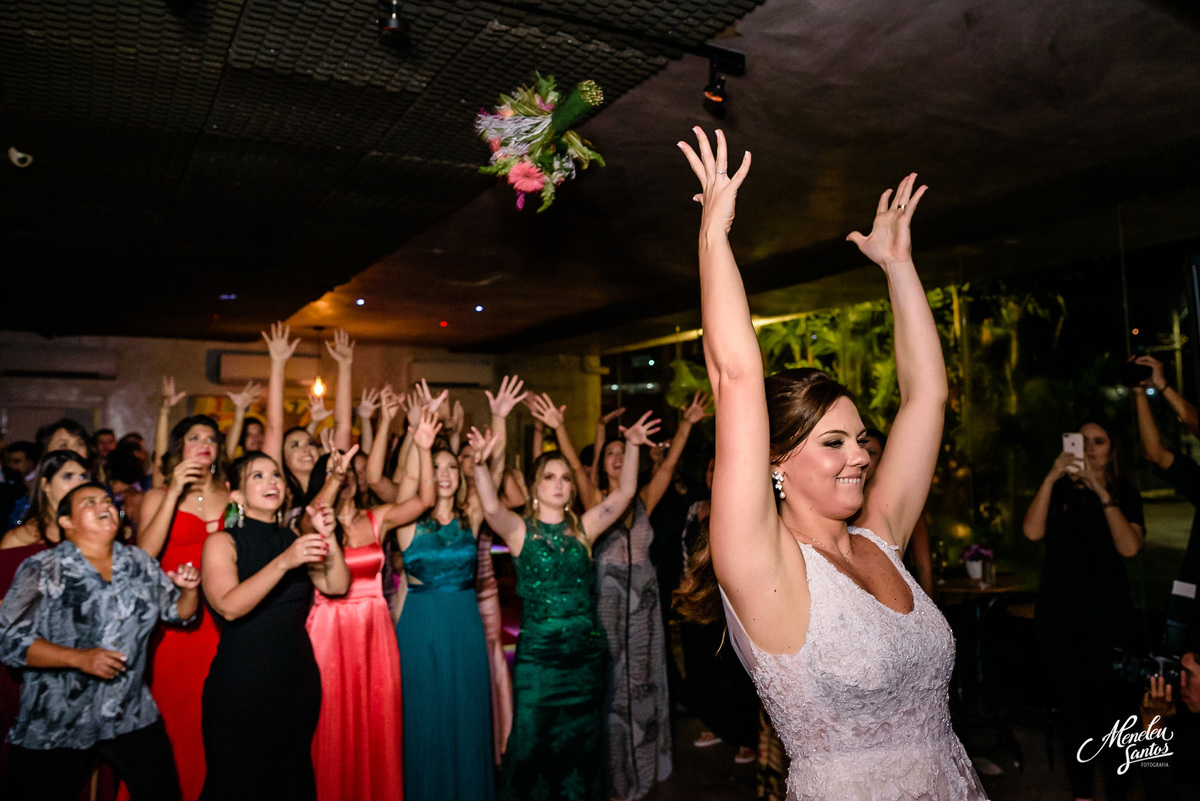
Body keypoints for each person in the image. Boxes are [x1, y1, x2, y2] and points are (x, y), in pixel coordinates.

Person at [676, 128, 985, 800]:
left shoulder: (881, 536)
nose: (862, 455)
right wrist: (714, 236)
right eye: (834, 442)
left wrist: (898, 267)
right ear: (776, 460)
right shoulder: (764, 565)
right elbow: (735, 375)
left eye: (861, 437)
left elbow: (928, 396)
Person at [469, 411, 659, 801]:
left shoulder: (584, 530)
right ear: (536, 487)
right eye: (550, 477)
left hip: (585, 658)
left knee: (582, 747)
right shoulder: (520, 530)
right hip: (538, 660)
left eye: (566, 477)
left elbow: (623, 495)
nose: (559, 484)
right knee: (531, 744)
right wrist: (479, 465)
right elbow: (490, 509)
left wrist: (635, 446)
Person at [0, 483, 201, 800]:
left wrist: (190, 590)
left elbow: (178, 612)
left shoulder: (138, 562)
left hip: (129, 713)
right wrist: (79, 658)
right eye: (89, 502)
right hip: (57, 717)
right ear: (66, 522)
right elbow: (9, 641)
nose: (104, 504)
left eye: (107, 499)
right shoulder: (43, 568)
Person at [305, 409, 440, 801]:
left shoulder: (376, 517)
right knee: (331, 720)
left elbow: (425, 499)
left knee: (376, 718)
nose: (346, 477)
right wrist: (331, 477)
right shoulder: (310, 520)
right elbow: (313, 518)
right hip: (329, 628)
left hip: (375, 627)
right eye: (337, 472)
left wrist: (425, 448)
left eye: (349, 472)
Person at [199, 452, 350, 801]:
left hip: (296, 684)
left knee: (290, 784)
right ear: (234, 494)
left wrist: (330, 538)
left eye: (276, 476)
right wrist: (285, 562)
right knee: (236, 786)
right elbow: (229, 606)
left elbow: (336, 585)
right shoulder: (222, 541)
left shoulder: (292, 538)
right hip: (241, 688)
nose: (272, 482)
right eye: (258, 476)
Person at [1023, 417, 1143, 799]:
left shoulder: (1123, 491)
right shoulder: (1057, 491)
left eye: (1099, 442)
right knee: (1073, 715)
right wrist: (1049, 478)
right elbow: (1031, 532)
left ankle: (1118, 793)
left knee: (1113, 715)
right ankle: (1082, 795)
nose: (1090, 449)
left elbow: (1130, 547)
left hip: (1109, 620)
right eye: (1083, 441)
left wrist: (1102, 493)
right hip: (1060, 620)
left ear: (1113, 449)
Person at [392, 399, 497, 801]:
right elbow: (406, 484)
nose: (444, 474)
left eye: (451, 466)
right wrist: (420, 441)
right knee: (424, 718)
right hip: (422, 626)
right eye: (435, 468)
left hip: (465, 626)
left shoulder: (472, 514)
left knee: (467, 714)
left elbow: (491, 486)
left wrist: (498, 423)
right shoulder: (408, 521)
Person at [137, 414, 230, 801]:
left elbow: (242, 545)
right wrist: (174, 491)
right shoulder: (159, 495)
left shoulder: (231, 495)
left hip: (223, 623)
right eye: (194, 437)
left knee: (215, 724)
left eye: (211, 437)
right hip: (173, 625)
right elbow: (144, 555)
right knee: (173, 718)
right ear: (179, 448)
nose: (204, 443)